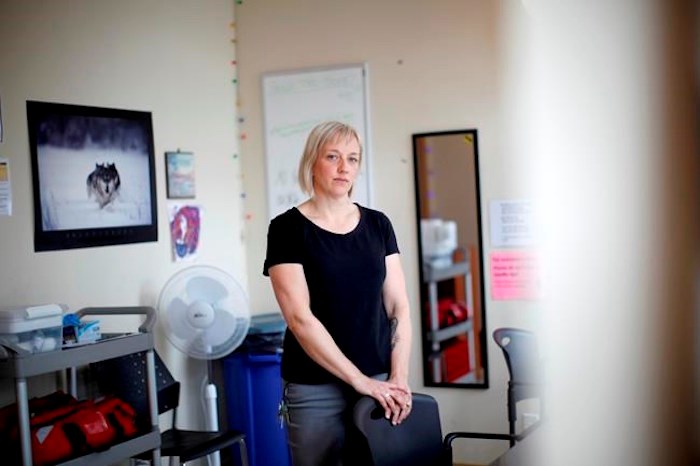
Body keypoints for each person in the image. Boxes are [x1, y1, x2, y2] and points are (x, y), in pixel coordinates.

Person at [263, 121, 413, 466]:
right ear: (312, 163)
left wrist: (399, 376)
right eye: (333, 156)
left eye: (353, 158)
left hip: (379, 377)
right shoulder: (287, 229)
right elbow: (300, 318)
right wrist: (357, 380)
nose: (344, 167)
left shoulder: (378, 225)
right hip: (314, 388)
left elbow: (398, 306)